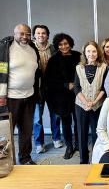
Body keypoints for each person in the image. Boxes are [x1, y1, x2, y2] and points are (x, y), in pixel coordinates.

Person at [0, 23, 40, 165]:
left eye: (28, 34)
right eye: (21, 33)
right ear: (15, 33)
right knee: (7, 132)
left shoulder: (32, 49)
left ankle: (25, 158)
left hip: (29, 96)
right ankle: (6, 162)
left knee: (26, 131)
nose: (25, 37)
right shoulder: (5, 48)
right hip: (10, 98)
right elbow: (1, 71)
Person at [44, 33, 80, 160]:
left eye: (66, 43)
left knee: (78, 121)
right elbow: (49, 81)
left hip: (78, 95)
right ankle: (69, 146)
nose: (64, 46)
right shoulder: (53, 60)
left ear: (70, 43)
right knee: (66, 122)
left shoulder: (78, 56)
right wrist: (66, 85)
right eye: (60, 44)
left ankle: (79, 145)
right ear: (57, 46)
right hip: (61, 97)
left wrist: (75, 86)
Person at [74, 41, 107, 164]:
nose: (91, 54)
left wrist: (94, 102)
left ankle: (95, 159)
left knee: (96, 134)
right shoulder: (79, 67)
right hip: (81, 105)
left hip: (97, 106)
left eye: (94, 51)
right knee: (82, 133)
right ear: (85, 53)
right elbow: (76, 87)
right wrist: (86, 102)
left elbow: (104, 88)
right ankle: (83, 160)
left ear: (97, 53)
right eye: (88, 51)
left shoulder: (103, 67)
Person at [31, 24, 63, 154]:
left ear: (47, 35)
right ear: (34, 35)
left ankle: (56, 138)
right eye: (38, 33)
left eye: (43, 33)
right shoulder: (30, 48)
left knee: (55, 115)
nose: (41, 35)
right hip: (37, 88)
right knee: (37, 118)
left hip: (52, 87)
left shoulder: (54, 48)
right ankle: (39, 143)